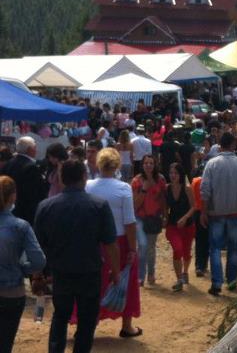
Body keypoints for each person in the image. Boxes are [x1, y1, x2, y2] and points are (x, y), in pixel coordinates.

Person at [34, 160, 120, 353]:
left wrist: (38, 275)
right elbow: (110, 243)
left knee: (60, 316)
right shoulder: (99, 206)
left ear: (62, 179)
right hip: (89, 272)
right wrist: (115, 272)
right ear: (84, 177)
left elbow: (38, 246)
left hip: (60, 272)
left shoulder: (46, 206)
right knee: (87, 320)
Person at [85, 148, 142, 337]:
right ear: (117, 165)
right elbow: (130, 222)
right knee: (126, 282)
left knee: (94, 284)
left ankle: (88, 326)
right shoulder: (123, 188)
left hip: (94, 242)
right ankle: (126, 326)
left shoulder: (88, 186)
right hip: (119, 241)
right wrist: (133, 249)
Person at [200, 132, 237, 296]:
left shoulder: (212, 164)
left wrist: (203, 211)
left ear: (220, 145)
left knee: (215, 248)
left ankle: (217, 283)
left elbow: (205, 190)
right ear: (232, 145)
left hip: (216, 211)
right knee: (234, 248)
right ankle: (231, 280)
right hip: (236, 211)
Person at [0, 176, 46, 353]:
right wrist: (22, 268)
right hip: (11, 291)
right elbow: (38, 261)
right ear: (12, 196)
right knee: (5, 342)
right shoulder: (21, 226)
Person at [131, 155, 167, 286]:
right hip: (140, 218)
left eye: (151, 163)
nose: (149, 165)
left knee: (150, 247)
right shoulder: (136, 181)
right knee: (142, 246)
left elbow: (163, 200)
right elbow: (134, 205)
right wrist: (144, 189)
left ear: (155, 165)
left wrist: (165, 216)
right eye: (146, 163)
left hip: (154, 217)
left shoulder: (161, 179)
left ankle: (151, 273)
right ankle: (141, 276)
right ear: (142, 165)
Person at [165, 163, 196, 292]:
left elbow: (194, 206)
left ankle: (185, 271)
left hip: (188, 226)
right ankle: (179, 279)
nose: (173, 175)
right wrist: (164, 217)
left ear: (180, 175)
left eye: (175, 173)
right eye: (171, 173)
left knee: (186, 252)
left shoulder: (187, 189)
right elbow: (165, 206)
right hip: (173, 225)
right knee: (177, 249)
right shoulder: (167, 188)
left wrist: (185, 218)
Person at [4, 136, 45, 225]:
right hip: (26, 213)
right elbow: (36, 193)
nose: (36, 150)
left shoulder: (9, 163)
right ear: (29, 149)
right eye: (35, 147)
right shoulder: (31, 167)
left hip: (9, 209)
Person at [190, 172, 209, 277]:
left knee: (199, 239)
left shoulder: (194, 181)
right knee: (206, 239)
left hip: (197, 212)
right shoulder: (207, 181)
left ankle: (199, 265)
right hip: (208, 212)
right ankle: (204, 263)